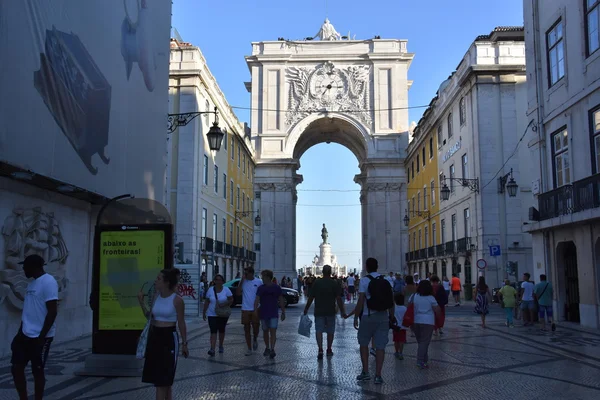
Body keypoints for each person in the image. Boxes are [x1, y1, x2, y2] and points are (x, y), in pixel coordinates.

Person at [11, 254, 58, 400]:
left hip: (40, 336)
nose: (23, 268)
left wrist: (41, 337)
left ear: (34, 267)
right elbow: (28, 311)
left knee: (37, 371)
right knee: (16, 368)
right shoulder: (32, 284)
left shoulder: (48, 281)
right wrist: (20, 333)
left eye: (25, 266)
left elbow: (52, 311)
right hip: (25, 334)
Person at [139, 268, 188, 400]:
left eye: (159, 278)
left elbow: (182, 323)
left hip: (169, 338)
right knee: (161, 382)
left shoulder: (177, 300)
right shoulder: (156, 296)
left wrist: (184, 343)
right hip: (155, 337)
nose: (156, 280)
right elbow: (150, 317)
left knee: (163, 381)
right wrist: (141, 303)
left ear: (167, 282)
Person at [348, 257, 394, 385]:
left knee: (364, 344)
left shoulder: (364, 281)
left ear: (367, 267)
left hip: (368, 316)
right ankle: (378, 375)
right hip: (383, 317)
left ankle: (366, 372)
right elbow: (391, 301)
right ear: (377, 267)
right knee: (380, 347)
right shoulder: (385, 280)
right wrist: (391, 316)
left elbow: (361, 301)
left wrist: (356, 317)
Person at [303, 265, 347, 360]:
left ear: (322, 272)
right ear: (330, 272)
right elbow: (338, 298)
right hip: (330, 311)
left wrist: (306, 308)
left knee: (319, 330)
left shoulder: (317, 282)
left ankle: (320, 349)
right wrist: (342, 311)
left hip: (319, 311)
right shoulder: (334, 283)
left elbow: (311, 297)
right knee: (330, 331)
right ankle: (329, 349)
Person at [254, 269, 286, 359]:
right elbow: (257, 300)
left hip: (273, 313)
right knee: (265, 331)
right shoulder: (261, 288)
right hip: (263, 313)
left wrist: (283, 312)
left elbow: (281, 300)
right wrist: (255, 310)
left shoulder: (276, 288)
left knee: (273, 331)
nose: (262, 278)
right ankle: (267, 347)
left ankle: (272, 349)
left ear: (268, 277)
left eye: (263, 276)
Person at [412, 280, 441, 369]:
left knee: (421, 342)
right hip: (428, 321)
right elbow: (438, 310)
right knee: (424, 342)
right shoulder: (431, 298)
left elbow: (409, 306)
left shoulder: (414, 296)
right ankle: (420, 361)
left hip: (416, 321)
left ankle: (425, 360)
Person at [202, 274, 233, 356]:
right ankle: (212, 349)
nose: (219, 281)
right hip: (211, 313)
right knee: (213, 331)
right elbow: (207, 301)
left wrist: (224, 304)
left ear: (223, 281)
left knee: (221, 330)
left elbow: (231, 299)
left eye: (220, 280)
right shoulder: (210, 290)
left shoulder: (226, 289)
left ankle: (221, 345)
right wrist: (204, 312)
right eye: (217, 280)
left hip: (223, 314)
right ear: (214, 281)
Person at [236, 267, 263, 355]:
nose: (245, 275)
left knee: (256, 327)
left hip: (256, 308)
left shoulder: (258, 282)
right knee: (246, 329)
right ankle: (249, 348)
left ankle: (255, 338)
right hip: (245, 308)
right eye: (244, 273)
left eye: (246, 274)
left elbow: (262, 294)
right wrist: (241, 281)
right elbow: (238, 293)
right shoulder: (243, 282)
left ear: (251, 273)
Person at [392, 292, 408, 360]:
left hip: (395, 327)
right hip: (403, 327)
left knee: (396, 340)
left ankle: (396, 351)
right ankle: (401, 352)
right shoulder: (404, 308)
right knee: (402, 340)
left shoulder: (394, 308)